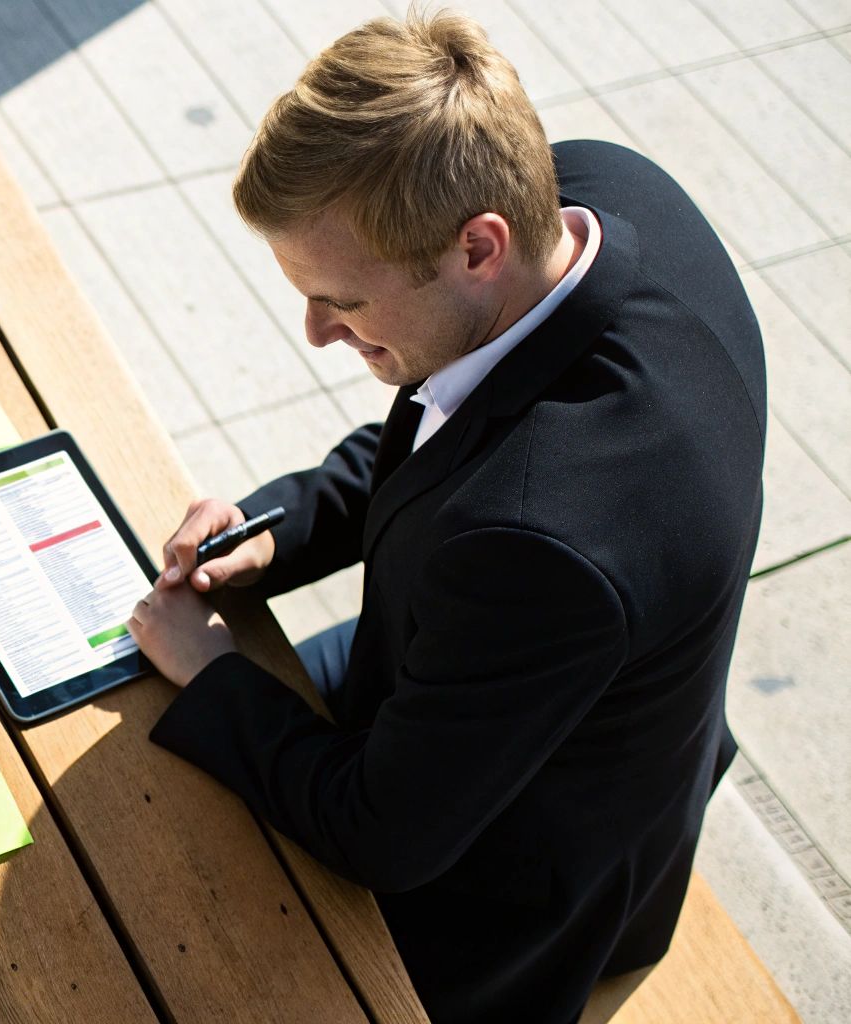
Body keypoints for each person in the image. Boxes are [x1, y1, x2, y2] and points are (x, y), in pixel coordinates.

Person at [126, 11, 762, 1024]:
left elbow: (383, 832)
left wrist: (211, 672)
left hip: (498, 897)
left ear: (477, 247)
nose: (315, 331)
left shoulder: (539, 541)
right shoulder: (602, 192)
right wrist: (280, 525)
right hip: (514, 705)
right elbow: (448, 422)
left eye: (341, 300)